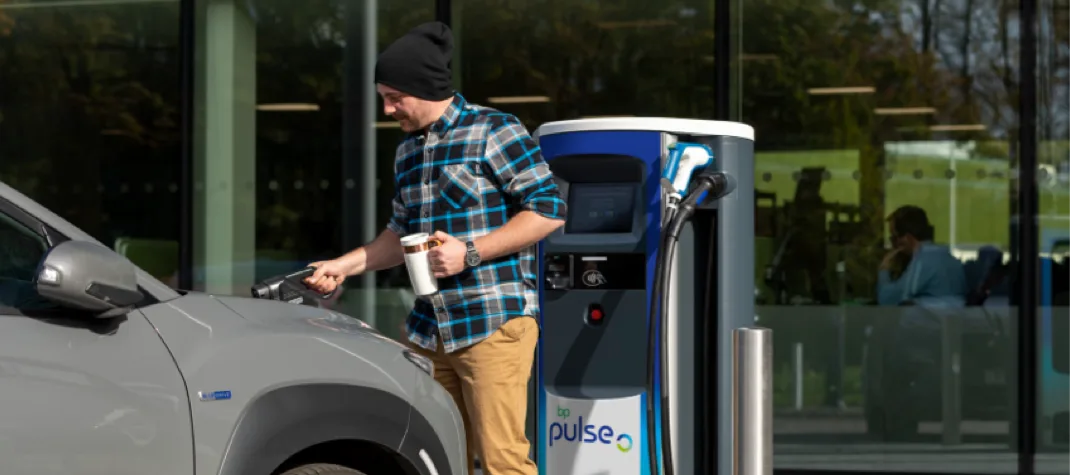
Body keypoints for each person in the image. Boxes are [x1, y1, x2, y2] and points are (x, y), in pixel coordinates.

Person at [303, 21, 566, 475]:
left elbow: (549, 209)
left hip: (492, 322)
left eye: (393, 97)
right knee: (439, 458)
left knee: (502, 460)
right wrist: (342, 266)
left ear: (423, 87)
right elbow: (396, 234)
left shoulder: (494, 130)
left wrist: (471, 251)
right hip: (429, 330)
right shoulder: (408, 151)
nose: (387, 109)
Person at [877, 205, 967, 307]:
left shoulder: (922, 261)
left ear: (907, 238)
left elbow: (887, 300)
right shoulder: (944, 254)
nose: (894, 245)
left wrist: (884, 269)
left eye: (894, 238)